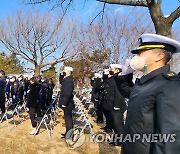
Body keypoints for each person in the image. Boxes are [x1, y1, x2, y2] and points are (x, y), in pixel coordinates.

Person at [121, 33, 180, 154]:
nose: (136, 57)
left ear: (159, 56)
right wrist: (124, 75)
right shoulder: (145, 83)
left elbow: (169, 140)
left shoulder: (169, 85)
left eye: (141, 52)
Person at [103, 64, 126, 146]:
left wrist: (116, 105)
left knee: (118, 124)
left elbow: (119, 93)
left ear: (117, 70)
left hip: (117, 105)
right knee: (114, 124)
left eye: (111, 68)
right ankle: (116, 139)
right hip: (111, 105)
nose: (109, 70)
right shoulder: (112, 78)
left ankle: (121, 141)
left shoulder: (118, 79)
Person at [59, 66, 75, 139]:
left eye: (65, 70)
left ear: (69, 72)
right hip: (67, 103)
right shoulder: (66, 79)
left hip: (68, 103)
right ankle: (67, 133)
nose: (63, 71)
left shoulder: (69, 80)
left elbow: (68, 93)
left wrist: (64, 103)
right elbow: (61, 82)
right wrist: (61, 76)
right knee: (67, 119)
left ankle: (70, 134)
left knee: (68, 119)